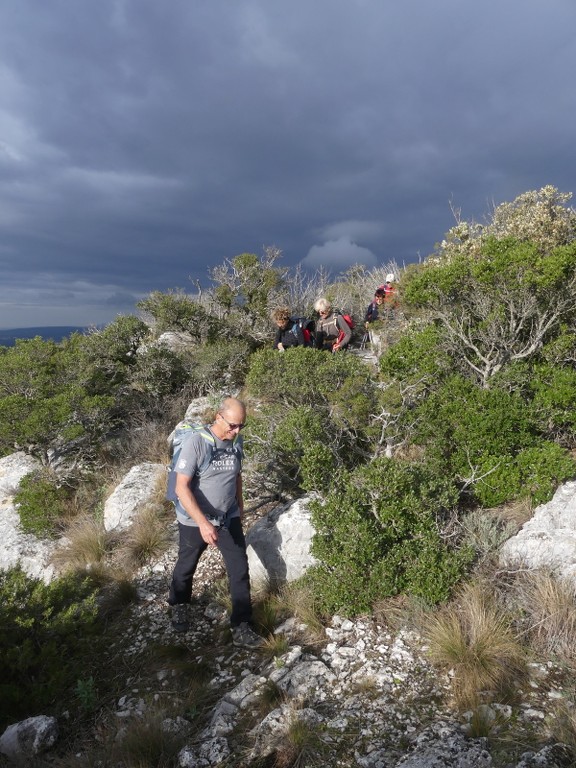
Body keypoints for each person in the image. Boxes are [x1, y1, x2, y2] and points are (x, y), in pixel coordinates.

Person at [168, 396, 263, 649]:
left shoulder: (236, 441)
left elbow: (237, 473)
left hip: (227, 516)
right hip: (194, 519)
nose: (237, 431)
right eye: (232, 425)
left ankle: (241, 625)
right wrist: (202, 523)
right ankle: (179, 604)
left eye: (242, 426)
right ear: (218, 417)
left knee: (239, 568)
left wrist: (239, 505)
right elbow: (181, 487)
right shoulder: (196, 443)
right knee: (187, 565)